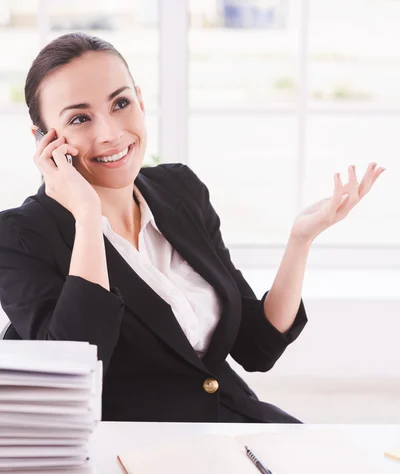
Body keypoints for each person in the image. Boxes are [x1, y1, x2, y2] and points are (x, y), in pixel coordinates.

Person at [0, 33, 384, 423]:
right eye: (79, 118)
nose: (110, 133)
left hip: (229, 424)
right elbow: (77, 370)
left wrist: (301, 239)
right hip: (128, 449)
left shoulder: (178, 189)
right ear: (43, 141)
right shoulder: (19, 236)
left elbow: (257, 346)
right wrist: (86, 215)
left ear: (141, 101)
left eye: (121, 103)